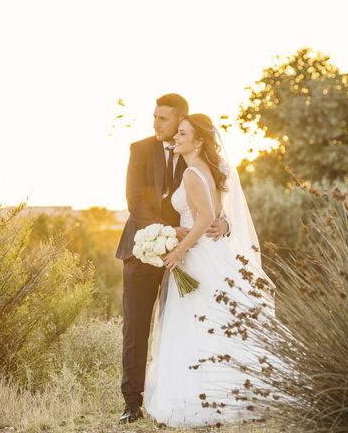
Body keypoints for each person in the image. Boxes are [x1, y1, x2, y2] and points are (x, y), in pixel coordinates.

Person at [143, 114, 279, 427]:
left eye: (182, 133)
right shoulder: (212, 170)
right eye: (177, 133)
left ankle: (201, 392)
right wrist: (179, 231)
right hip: (210, 251)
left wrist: (178, 249)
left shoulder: (193, 173)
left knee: (196, 320)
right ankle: (229, 386)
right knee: (214, 320)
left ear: (199, 141)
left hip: (198, 254)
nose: (176, 138)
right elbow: (215, 216)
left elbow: (204, 219)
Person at [115, 95, 230, 424]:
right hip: (143, 250)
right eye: (154, 117)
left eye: (163, 119)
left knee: (182, 324)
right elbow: (135, 201)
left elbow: (215, 196)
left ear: (181, 121)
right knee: (136, 327)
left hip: (189, 255)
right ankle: (132, 402)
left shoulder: (192, 151)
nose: (156, 124)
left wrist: (225, 223)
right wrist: (168, 233)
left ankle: (190, 391)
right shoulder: (140, 149)